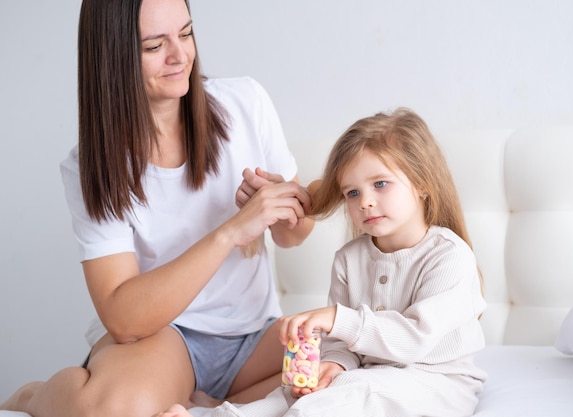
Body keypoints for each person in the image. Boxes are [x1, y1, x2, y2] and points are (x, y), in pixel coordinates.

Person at [0, 0, 314, 416]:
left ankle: (205, 405)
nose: (180, 55)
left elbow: (295, 235)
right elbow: (123, 317)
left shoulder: (245, 102)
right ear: (113, 57)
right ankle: (33, 396)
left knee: (346, 367)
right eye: (154, 46)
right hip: (163, 337)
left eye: (185, 34)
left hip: (253, 337)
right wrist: (231, 232)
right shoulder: (91, 167)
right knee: (109, 410)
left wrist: (283, 208)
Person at [155, 108, 487, 417]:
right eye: (352, 193)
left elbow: (414, 337)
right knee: (290, 393)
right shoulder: (350, 258)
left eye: (380, 184)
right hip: (367, 376)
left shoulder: (449, 256)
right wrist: (335, 365)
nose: (366, 202)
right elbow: (342, 346)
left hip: (436, 382)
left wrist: (337, 320)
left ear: (421, 185)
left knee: (343, 397)